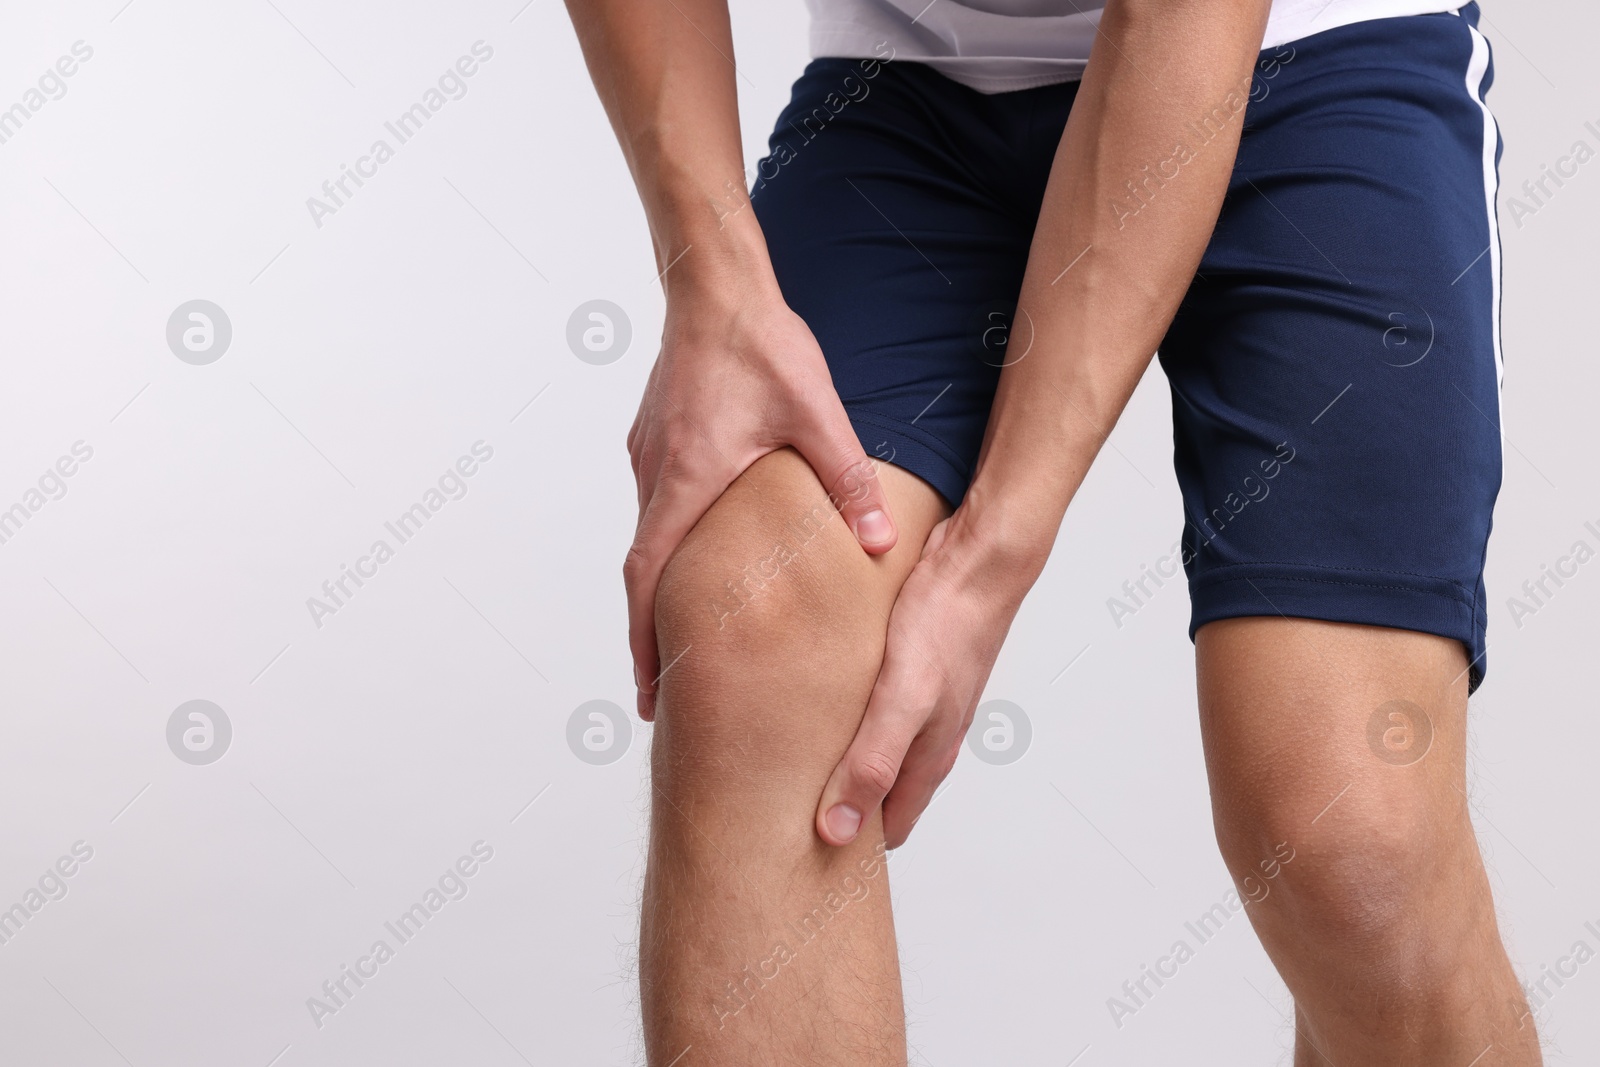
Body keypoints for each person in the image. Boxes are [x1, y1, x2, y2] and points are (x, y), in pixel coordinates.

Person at [565, 0, 1538, 1061]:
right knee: (752, 628)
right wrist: (712, 285)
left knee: (1348, 838)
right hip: (909, 84)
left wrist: (988, 555)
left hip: (1308, 57)